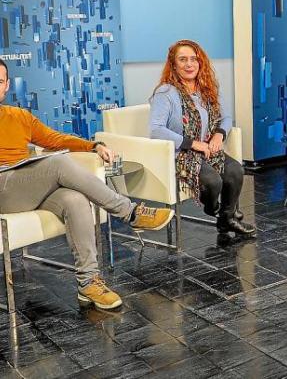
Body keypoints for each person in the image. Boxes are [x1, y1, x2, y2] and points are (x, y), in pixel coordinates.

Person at [0, 58, 173, 310]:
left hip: (25, 185)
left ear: (6, 86)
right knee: (58, 164)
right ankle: (129, 212)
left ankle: (88, 282)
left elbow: (56, 139)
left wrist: (93, 146)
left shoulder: (18, 116)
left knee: (75, 199)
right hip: (3, 190)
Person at [149, 39, 255, 237]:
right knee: (213, 182)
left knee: (235, 171)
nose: (189, 64)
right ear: (173, 64)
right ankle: (216, 210)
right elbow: (156, 130)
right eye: (183, 59)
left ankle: (226, 220)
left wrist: (219, 135)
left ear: (200, 63)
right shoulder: (166, 93)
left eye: (194, 59)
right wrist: (194, 144)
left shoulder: (206, 88)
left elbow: (226, 117)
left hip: (207, 149)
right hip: (182, 154)